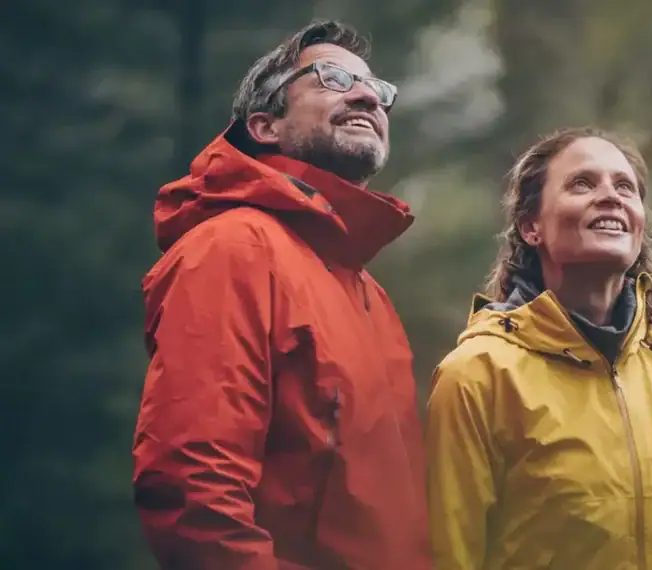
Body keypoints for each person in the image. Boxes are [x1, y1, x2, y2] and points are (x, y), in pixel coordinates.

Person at [132, 20, 430, 570]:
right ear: (266, 126)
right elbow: (195, 487)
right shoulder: (231, 248)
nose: (368, 95)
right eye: (333, 78)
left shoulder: (370, 295)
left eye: (377, 89)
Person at [426, 127, 652, 570]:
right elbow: (450, 553)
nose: (611, 196)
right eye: (582, 183)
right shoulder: (477, 373)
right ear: (531, 227)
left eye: (624, 187)